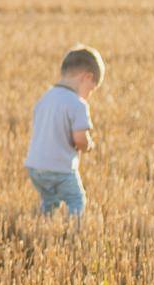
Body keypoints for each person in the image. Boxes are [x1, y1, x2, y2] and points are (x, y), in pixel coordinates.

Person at [24, 45, 104, 217]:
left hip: (35, 167)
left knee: (49, 200)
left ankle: (45, 225)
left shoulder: (45, 98)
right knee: (76, 199)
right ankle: (75, 231)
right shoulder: (77, 104)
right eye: (91, 89)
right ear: (86, 77)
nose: (88, 95)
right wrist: (88, 145)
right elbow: (80, 139)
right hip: (59, 168)